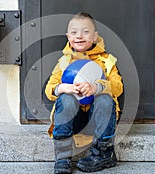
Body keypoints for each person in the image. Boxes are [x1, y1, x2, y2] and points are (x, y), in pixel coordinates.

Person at [45, 12, 123, 174]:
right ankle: (63, 157)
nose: (79, 36)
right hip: (75, 122)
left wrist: (97, 87)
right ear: (68, 37)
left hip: (97, 122)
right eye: (74, 32)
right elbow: (49, 88)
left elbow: (117, 86)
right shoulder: (64, 62)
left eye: (85, 32)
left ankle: (103, 153)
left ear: (95, 37)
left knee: (105, 99)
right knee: (66, 98)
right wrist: (61, 88)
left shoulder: (107, 61)